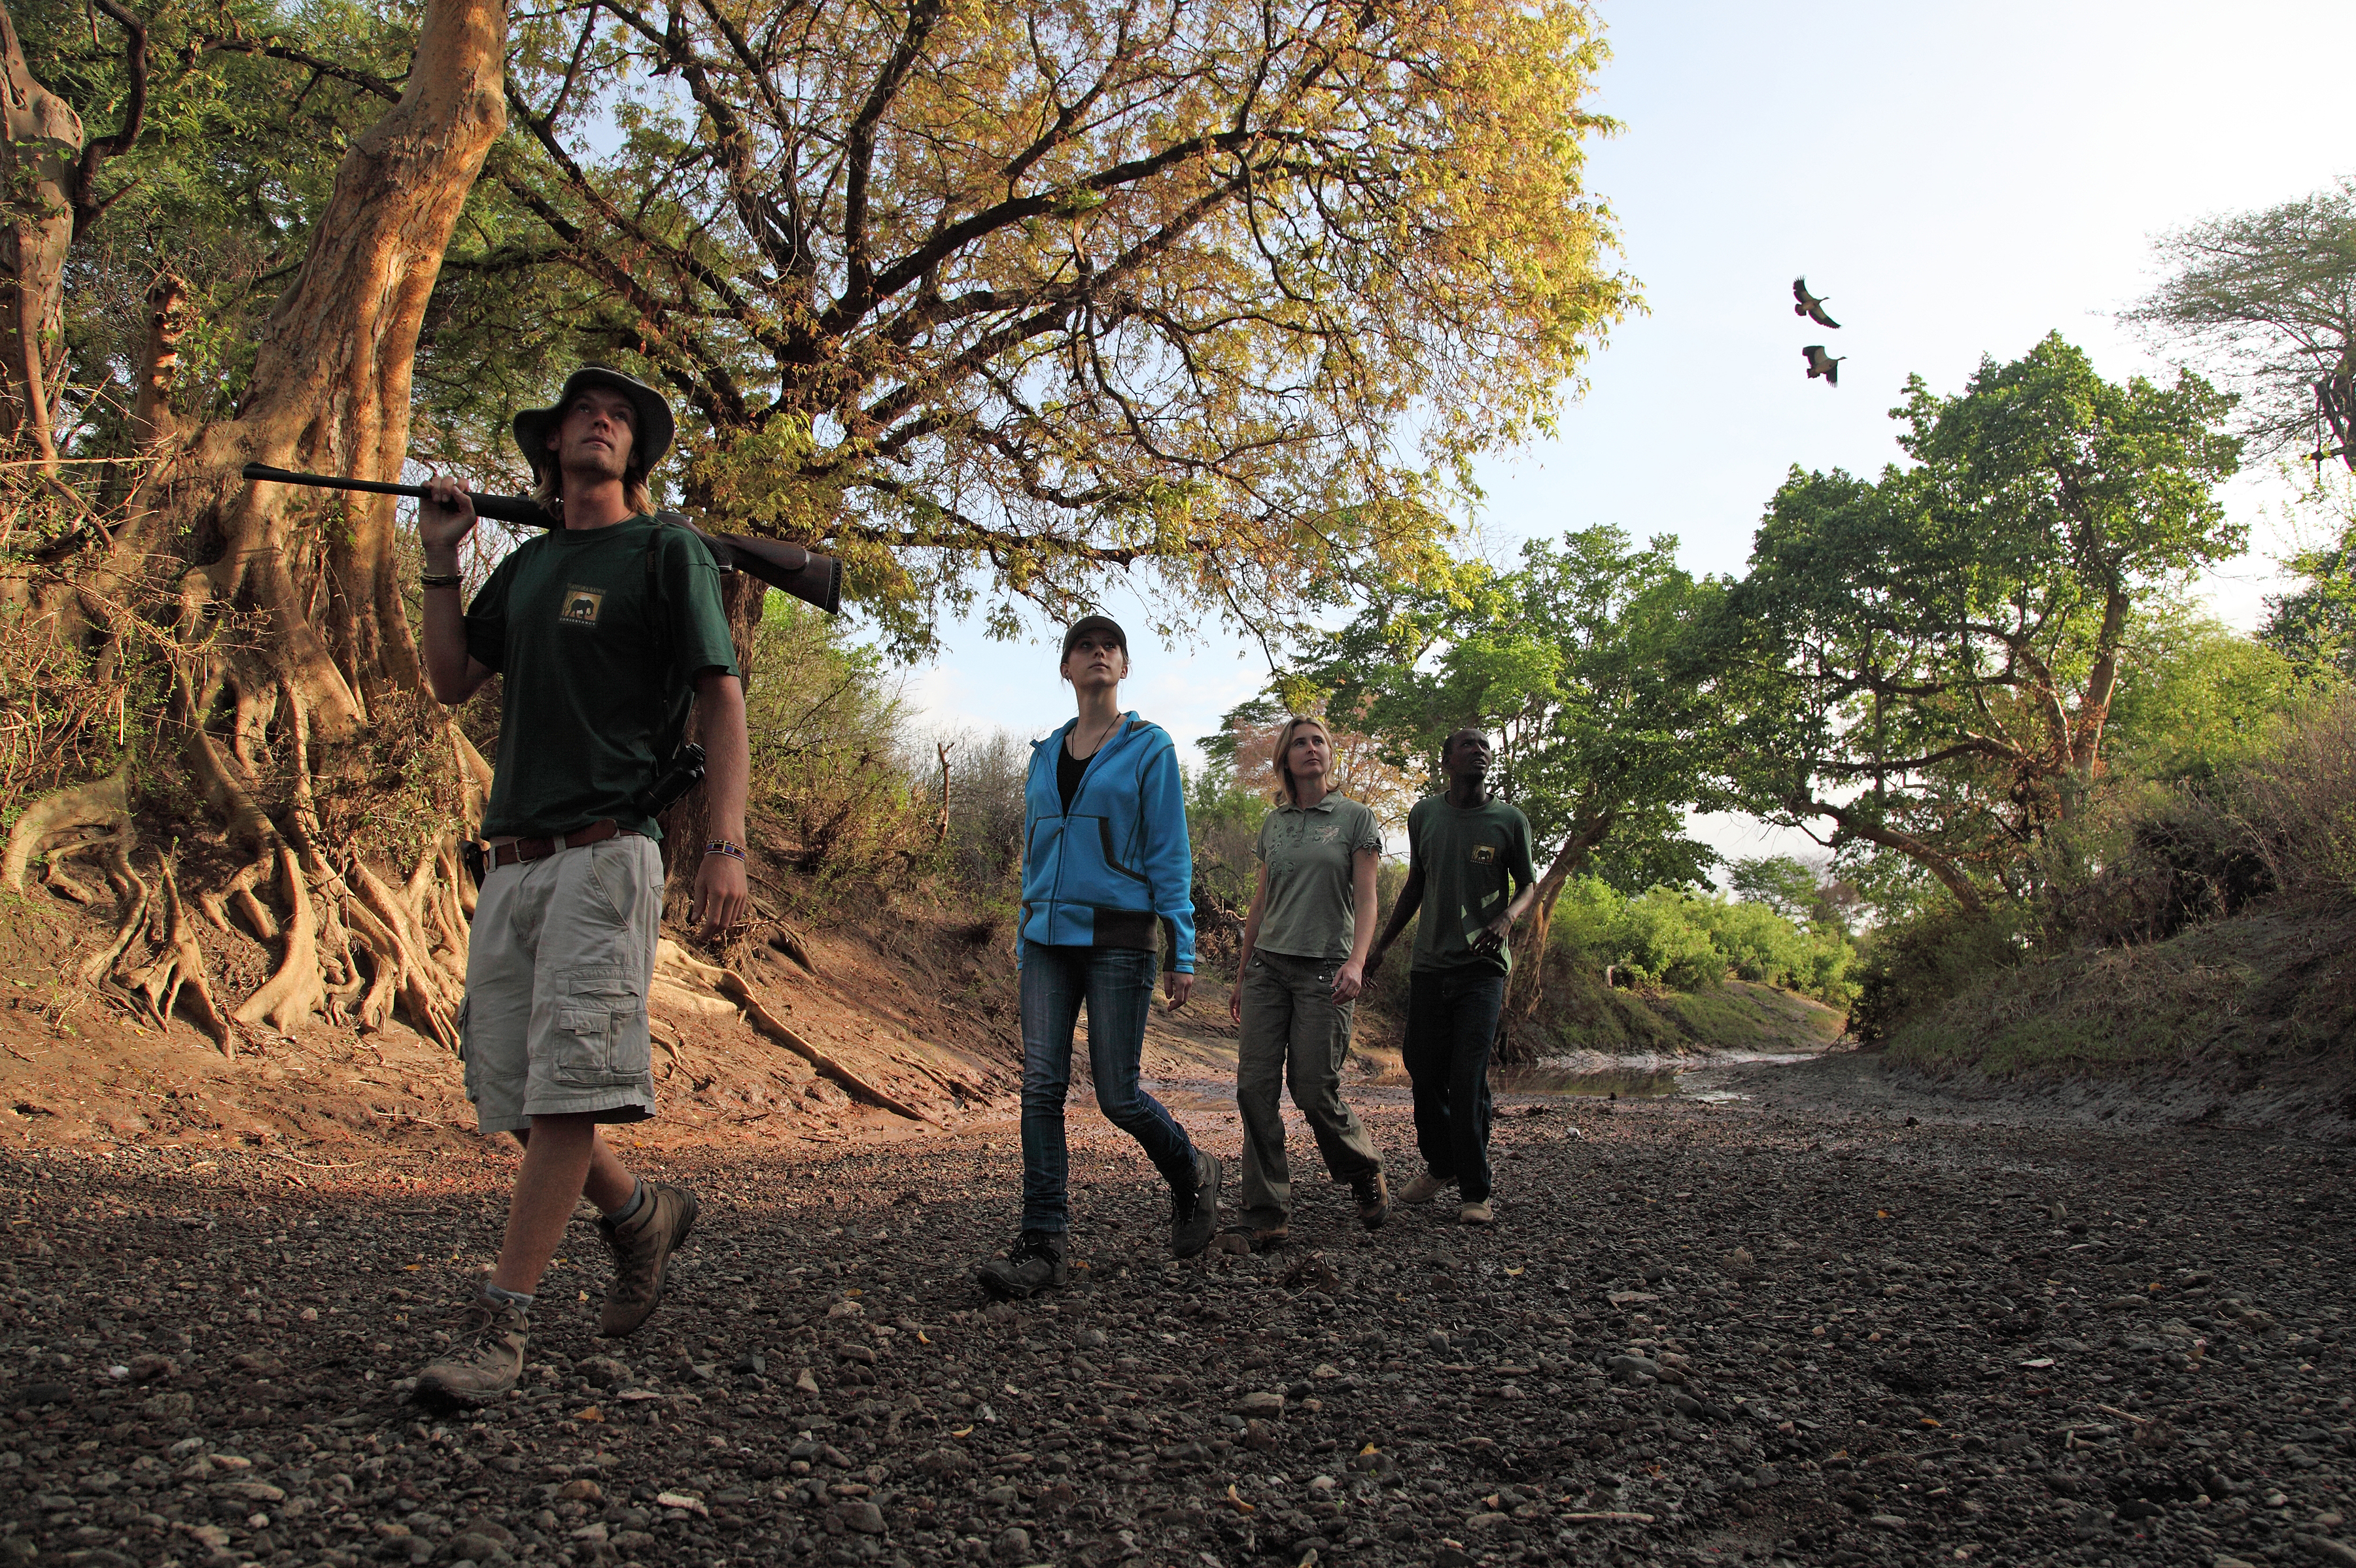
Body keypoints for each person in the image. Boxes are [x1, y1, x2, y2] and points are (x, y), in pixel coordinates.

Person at [409, 366, 751, 1401]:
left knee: (565, 1089)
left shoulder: (665, 549)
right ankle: (642, 1212)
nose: (599, 423)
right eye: (580, 415)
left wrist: (724, 843)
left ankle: (499, 1325)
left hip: (608, 852)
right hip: (512, 851)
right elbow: (448, 681)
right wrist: (440, 562)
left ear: (632, 457)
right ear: (551, 447)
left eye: (618, 420)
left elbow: (720, 697)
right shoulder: (529, 568)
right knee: (513, 1090)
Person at [975, 616, 1223, 1297]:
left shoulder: (1148, 748)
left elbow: (1170, 850)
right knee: (1040, 1087)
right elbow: (1035, 853)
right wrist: (1025, 932)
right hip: (1046, 940)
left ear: (1124, 667)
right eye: (1084, 647)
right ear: (1065, 668)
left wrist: (1183, 946)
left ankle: (1193, 1171)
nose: (1097, 654)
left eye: (1109, 647)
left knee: (1117, 1094)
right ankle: (1041, 1242)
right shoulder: (1042, 752)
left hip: (1118, 936)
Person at [1215, 717, 1389, 1252]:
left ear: (1330, 756)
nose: (1310, 749)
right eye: (1300, 743)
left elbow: (1366, 900)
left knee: (1314, 1089)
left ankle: (1362, 1168)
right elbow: (1261, 902)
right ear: (1285, 759)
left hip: (1325, 971)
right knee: (1254, 1089)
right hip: (1269, 968)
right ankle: (1266, 1211)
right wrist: (1243, 973)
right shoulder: (1275, 824)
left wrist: (1357, 963)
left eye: (1319, 742)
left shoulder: (1356, 819)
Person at [1366, 727, 1537, 1226]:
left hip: (1482, 971)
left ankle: (1475, 1190)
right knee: (1421, 1066)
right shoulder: (1425, 815)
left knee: (1467, 1078)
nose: (1480, 752)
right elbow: (1416, 882)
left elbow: (1528, 884)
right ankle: (1442, 1163)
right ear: (1447, 762)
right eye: (1469, 746)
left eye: (1485, 747)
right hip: (1429, 965)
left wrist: (1506, 919)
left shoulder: (1509, 820)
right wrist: (1382, 946)